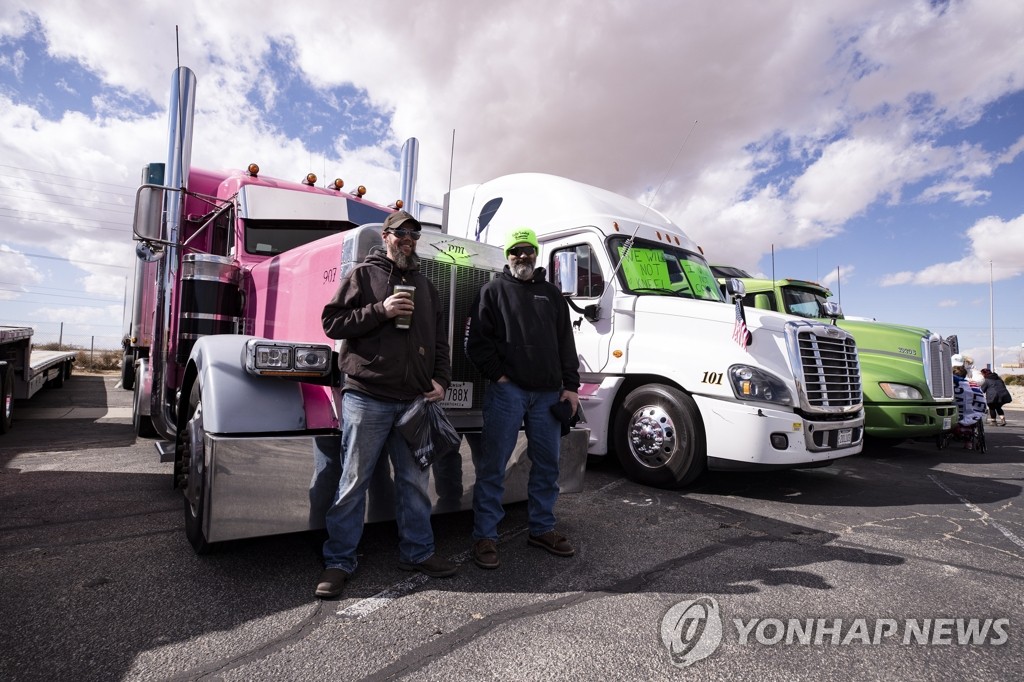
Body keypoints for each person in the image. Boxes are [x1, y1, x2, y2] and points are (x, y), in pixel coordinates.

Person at [315, 210, 457, 599]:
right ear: (386, 236)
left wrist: (441, 380)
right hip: (367, 396)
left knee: (414, 482)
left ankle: (418, 552)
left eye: (414, 234)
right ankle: (339, 560)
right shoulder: (363, 275)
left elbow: (440, 343)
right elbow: (332, 323)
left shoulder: (427, 287)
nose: (408, 239)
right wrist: (381, 310)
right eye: (401, 233)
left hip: (413, 400)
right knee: (353, 481)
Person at [466, 226, 580, 569]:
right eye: (515, 251)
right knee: (493, 465)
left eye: (527, 250)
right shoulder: (492, 291)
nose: (522, 256)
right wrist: (500, 376)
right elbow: (477, 344)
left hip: (548, 395)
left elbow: (566, 345)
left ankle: (542, 528)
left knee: (547, 465)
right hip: (508, 392)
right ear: (507, 255)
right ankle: (485, 536)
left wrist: (570, 386)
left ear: (536, 253)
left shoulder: (552, 295)